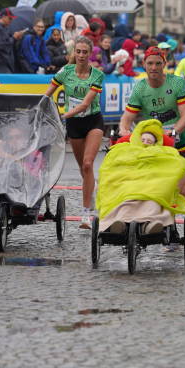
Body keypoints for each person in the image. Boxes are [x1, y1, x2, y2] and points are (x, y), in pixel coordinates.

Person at [119, 46, 185, 253]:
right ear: (143, 65)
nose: (154, 67)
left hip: (180, 146)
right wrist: (123, 131)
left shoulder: (177, 83)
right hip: (155, 148)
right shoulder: (140, 88)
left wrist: (172, 131)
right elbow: (127, 118)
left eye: (158, 63)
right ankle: (171, 231)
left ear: (165, 64)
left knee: (180, 190)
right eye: (150, 63)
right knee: (160, 189)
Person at [44, 35, 105, 229]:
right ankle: (91, 189)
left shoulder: (97, 75)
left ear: (90, 54)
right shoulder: (65, 72)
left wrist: (62, 116)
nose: (81, 55)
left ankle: (86, 214)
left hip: (93, 120)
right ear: (73, 53)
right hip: (74, 125)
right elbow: (47, 95)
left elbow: (86, 103)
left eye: (85, 52)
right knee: (83, 169)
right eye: (77, 51)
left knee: (88, 165)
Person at [97, 120, 185, 235]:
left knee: (153, 200)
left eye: (149, 141)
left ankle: (148, 225)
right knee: (124, 199)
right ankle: (119, 223)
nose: (145, 143)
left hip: (151, 184)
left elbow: (174, 168)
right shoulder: (124, 148)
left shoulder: (165, 152)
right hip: (128, 182)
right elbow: (111, 167)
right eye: (143, 140)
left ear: (156, 143)